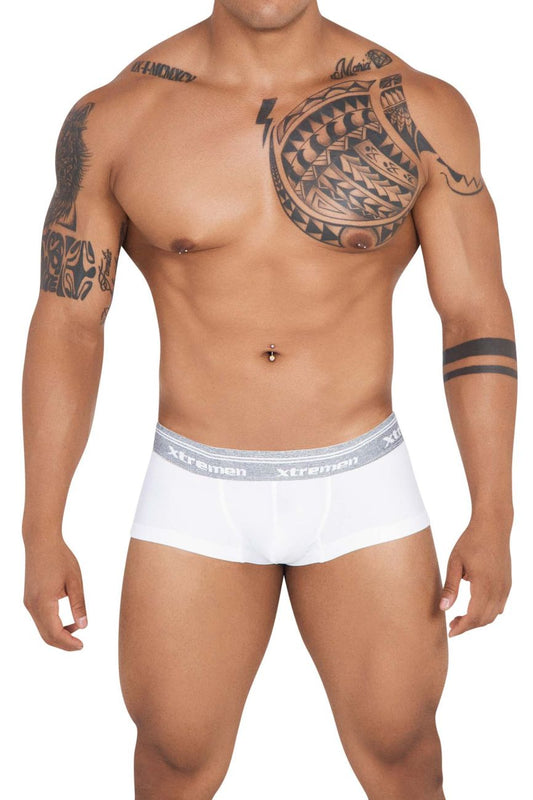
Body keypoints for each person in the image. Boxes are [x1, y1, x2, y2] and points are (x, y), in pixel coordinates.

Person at [21, 1, 517, 798]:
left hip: (361, 479)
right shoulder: (119, 116)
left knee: (401, 751)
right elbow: (70, 324)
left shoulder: (420, 108)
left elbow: (473, 314)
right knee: (174, 760)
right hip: (195, 485)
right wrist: (40, 528)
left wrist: (493, 514)